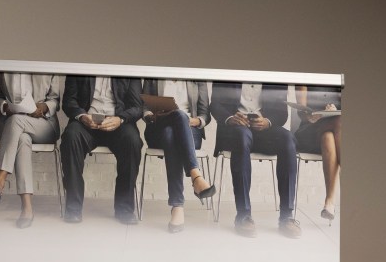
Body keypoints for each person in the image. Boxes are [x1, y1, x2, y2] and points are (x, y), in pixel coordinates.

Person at [210, 81, 301, 239]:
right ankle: (243, 215)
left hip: (264, 131)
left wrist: (267, 122)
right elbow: (215, 105)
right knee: (241, 136)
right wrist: (230, 118)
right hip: (235, 130)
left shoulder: (275, 75)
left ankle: (286, 216)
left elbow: (281, 113)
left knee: (288, 139)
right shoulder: (229, 70)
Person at [60, 77, 143, 224]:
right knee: (70, 137)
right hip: (86, 121)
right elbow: (68, 102)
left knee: (133, 141)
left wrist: (120, 119)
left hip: (118, 123)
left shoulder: (128, 69)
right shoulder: (80, 67)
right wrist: (82, 116)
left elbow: (137, 107)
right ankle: (73, 208)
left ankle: (124, 209)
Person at [0, 74, 61, 229]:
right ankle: (27, 208)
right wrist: (5, 106)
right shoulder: (0, 68)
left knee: (16, 121)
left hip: (44, 124)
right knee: (23, 139)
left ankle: (0, 179)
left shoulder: (46, 65)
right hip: (14, 128)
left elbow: (55, 99)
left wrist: (43, 107)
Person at [141, 78, 215, 233]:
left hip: (189, 131)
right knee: (175, 120)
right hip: (158, 127)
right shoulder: (155, 74)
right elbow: (144, 106)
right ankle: (196, 176)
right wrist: (150, 116)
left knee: (175, 126)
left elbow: (204, 114)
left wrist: (194, 121)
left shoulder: (197, 78)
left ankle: (177, 206)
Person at [294, 87, 341, 223]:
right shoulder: (306, 77)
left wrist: (333, 108)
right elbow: (301, 111)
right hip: (308, 131)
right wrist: (310, 115)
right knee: (340, 122)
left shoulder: (339, 78)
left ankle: (329, 203)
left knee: (328, 137)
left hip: (331, 132)